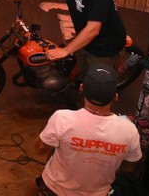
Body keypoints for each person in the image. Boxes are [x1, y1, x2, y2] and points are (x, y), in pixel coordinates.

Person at [36, 63, 142, 196]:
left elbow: (40, 148)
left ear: (81, 88)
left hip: (54, 190)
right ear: (115, 96)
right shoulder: (129, 130)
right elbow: (130, 165)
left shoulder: (62, 118)